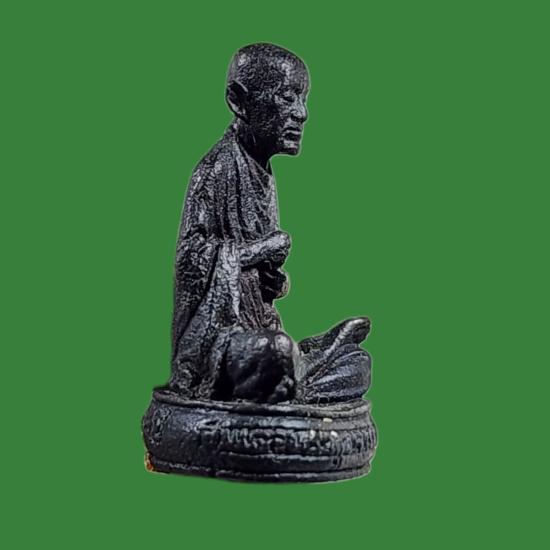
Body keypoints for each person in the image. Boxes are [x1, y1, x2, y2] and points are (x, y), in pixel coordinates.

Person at [169, 43, 370, 404]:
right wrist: (261, 249)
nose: (302, 113)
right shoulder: (216, 169)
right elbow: (190, 261)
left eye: (303, 99)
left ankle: (297, 374)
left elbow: (256, 286)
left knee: (359, 364)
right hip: (221, 346)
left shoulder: (262, 171)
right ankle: (300, 369)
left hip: (258, 332)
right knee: (276, 352)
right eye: (287, 98)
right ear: (239, 102)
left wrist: (272, 280)